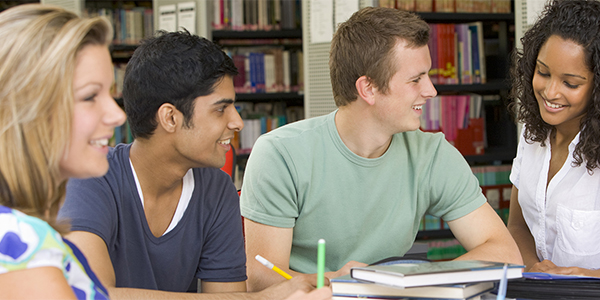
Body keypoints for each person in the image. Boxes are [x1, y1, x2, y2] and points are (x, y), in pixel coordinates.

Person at [240, 6, 523, 292]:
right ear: (369, 89)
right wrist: (339, 282)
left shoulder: (433, 154)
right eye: (416, 79)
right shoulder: (280, 155)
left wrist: (404, 279)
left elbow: (504, 253)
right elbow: (261, 277)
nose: (431, 90)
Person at [58, 29, 331, 299]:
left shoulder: (217, 189)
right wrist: (261, 298)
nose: (236, 122)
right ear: (170, 118)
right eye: (220, 109)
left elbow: (227, 298)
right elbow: (94, 294)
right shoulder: (90, 177)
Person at [0, 4, 127, 299]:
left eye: (110, 93)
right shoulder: (22, 244)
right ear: (25, 109)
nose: (117, 115)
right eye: (89, 96)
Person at [507, 0, 600, 277]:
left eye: (570, 83)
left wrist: (584, 277)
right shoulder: (533, 135)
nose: (550, 92)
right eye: (543, 72)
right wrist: (537, 272)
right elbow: (517, 226)